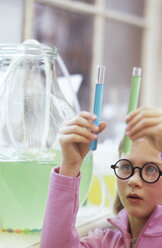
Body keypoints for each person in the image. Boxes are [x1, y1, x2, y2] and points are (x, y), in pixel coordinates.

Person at [40, 106, 162, 248]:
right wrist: (70, 166)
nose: (133, 180)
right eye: (126, 167)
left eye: (152, 169)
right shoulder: (103, 242)